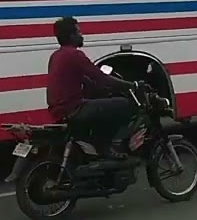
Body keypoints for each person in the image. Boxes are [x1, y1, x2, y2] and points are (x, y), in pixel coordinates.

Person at [47, 16, 140, 159]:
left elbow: (85, 79)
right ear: (72, 36)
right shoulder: (75, 54)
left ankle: (93, 144)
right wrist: (131, 85)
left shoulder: (56, 55)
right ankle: (104, 146)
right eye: (79, 32)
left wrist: (97, 86)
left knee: (100, 106)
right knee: (124, 105)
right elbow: (101, 77)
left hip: (57, 108)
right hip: (73, 108)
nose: (81, 35)